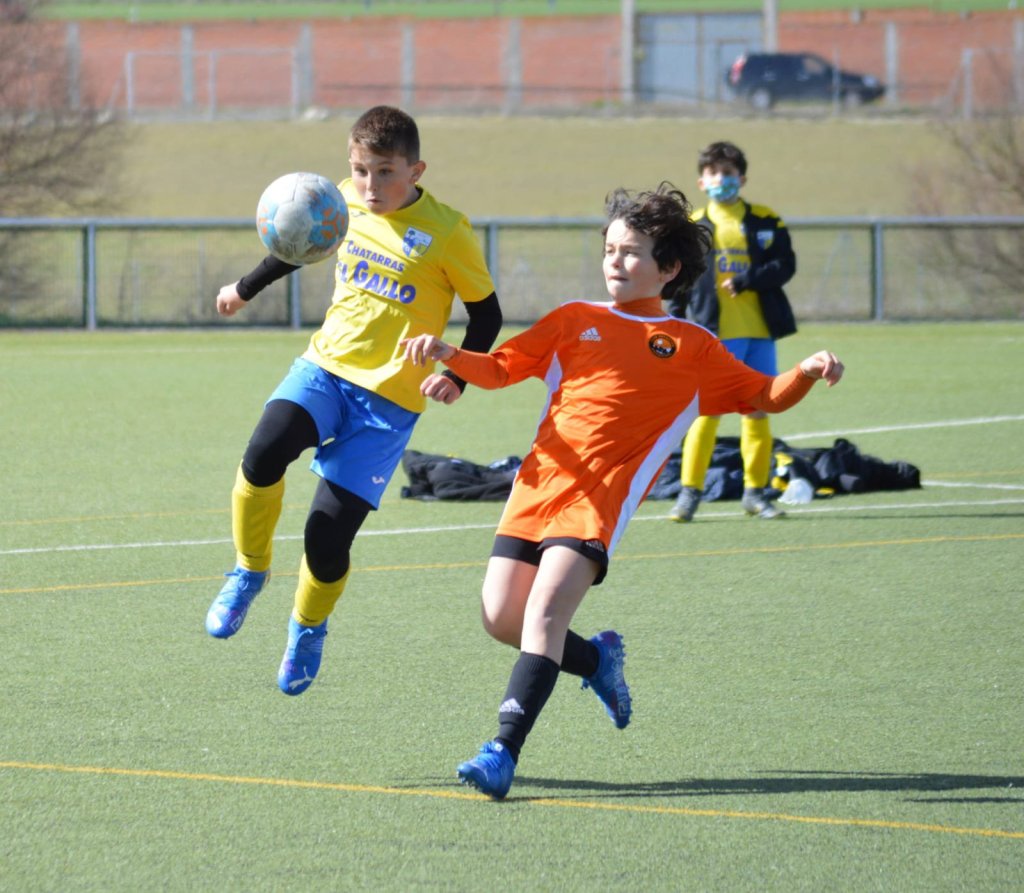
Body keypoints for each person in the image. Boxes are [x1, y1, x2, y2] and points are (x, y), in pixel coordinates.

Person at [401, 182, 843, 799]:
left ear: (669, 269)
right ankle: (597, 661)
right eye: (610, 249)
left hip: (597, 502)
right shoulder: (573, 320)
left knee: (545, 613)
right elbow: (501, 368)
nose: (615, 261)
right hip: (535, 489)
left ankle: (501, 749)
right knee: (502, 619)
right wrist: (451, 355)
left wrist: (806, 371)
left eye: (631, 252)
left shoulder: (692, 347)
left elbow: (764, 396)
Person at [204, 105, 503, 696]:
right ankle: (248, 571)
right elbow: (297, 243)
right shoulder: (338, 202)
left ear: (416, 170)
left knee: (325, 538)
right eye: (361, 170)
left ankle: (307, 627)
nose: (370, 185)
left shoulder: (448, 231)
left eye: (385, 172)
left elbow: (487, 315)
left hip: (388, 404)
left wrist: (459, 375)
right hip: (324, 369)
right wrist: (244, 288)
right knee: (263, 453)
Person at [665, 140, 797, 522]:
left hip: (760, 334)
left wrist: (749, 279)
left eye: (728, 173)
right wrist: (675, 322)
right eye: (713, 173)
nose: (721, 179)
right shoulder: (692, 227)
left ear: (742, 178)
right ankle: (689, 494)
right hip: (715, 336)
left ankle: (756, 494)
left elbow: (786, 265)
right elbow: (678, 280)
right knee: (706, 414)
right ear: (701, 182)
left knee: (757, 412)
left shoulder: (766, 220)